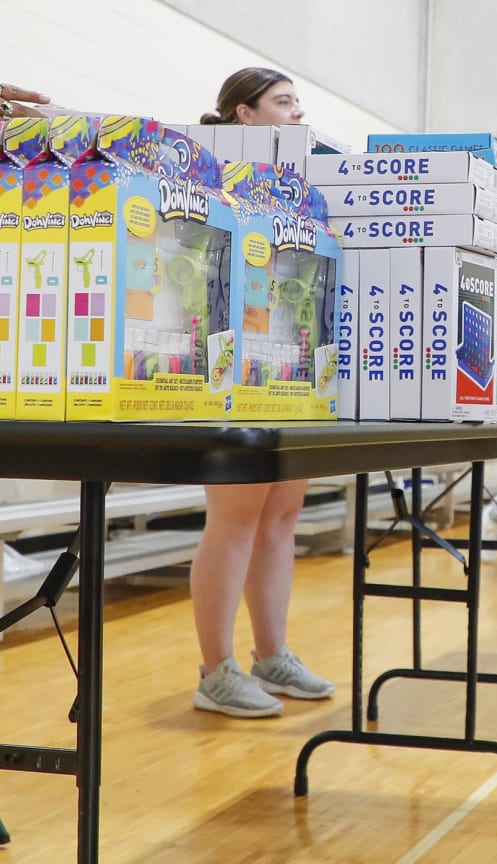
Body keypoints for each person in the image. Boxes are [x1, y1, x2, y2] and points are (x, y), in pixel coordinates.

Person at [189, 68, 329, 718]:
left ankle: (272, 654)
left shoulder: (303, 188)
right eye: (283, 102)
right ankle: (216, 669)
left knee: (281, 516)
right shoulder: (206, 172)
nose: (297, 112)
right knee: (237, 518)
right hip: (233, 365)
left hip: (291, 361)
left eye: (298, 102)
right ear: (243, 115)